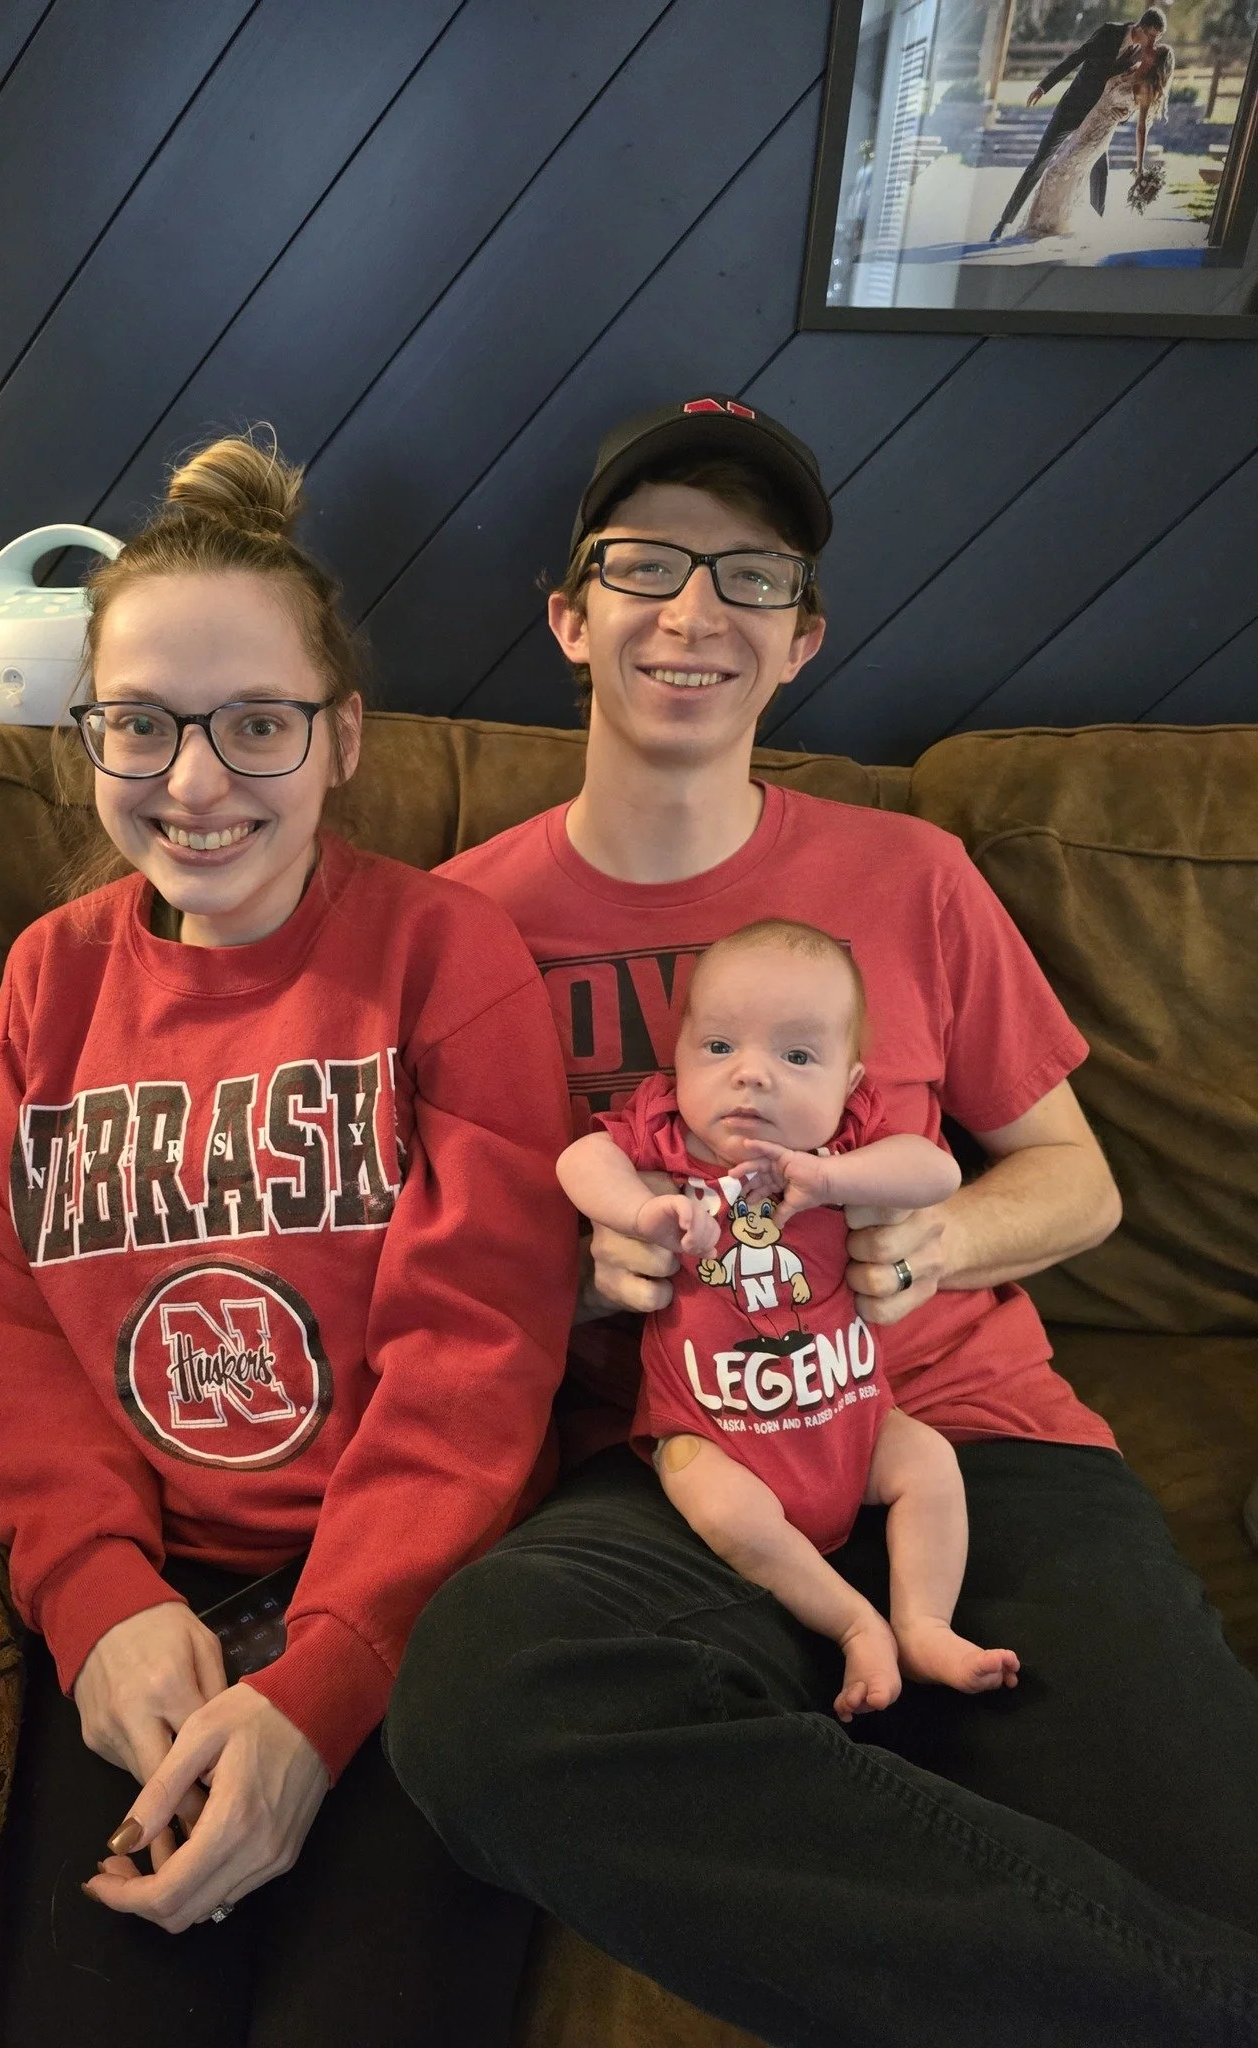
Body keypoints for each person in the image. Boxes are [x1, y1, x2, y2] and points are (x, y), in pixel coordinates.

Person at [385, 392, 1258, 2047]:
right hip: (678, 1463)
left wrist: (933, 1243)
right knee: (483, 1702)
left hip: (970, 1441)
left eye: (752, 575)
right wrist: (589, 1278)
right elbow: (427, 1284)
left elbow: (1078, 1180)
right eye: (646, 563)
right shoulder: (455, 926)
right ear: (570, 616)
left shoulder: (912, 875)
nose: (694, 609)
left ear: (801, 640)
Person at [0, 430, 578, 2048]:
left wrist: (334, 1670)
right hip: (151, 1602)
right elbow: (12, 1306)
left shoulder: (448, 957)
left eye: (258, 724)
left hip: (413, 1603)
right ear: (90, 734)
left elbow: (480, 1344)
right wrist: (96, 1597)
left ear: (340, 735)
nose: (196, 781)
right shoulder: (50, 979)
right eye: (142, 722)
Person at [558, 918, 1020, 1725]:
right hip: (711, 1430)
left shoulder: (846, 1144)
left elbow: (935, 1171)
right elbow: (580, 1159)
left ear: (850, 1082)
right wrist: (638, 1211)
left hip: (855, 1418)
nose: (751, 1076)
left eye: (798, 1057)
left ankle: (924, 1624)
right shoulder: (665, 1139)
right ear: (678, 1061)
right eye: (718, 1048)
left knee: (931, 1465)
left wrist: (835, 1178)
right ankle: (853, 1622)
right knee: (721, 1508)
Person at [989, 10, 1170, 242]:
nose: (1154, 43)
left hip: (1097, 121)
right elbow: (1077, 57)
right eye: (1152, 36)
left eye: (1158, 38)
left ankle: (1097, 223)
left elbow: (1130, 93)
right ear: (1141, 28)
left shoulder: (1141, 54)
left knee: (1100, 168)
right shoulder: (1109, 32)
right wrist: (1044, 86)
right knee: (1040, 161)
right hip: (1072, 108)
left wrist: (1123, 116)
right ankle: (1004, 222)